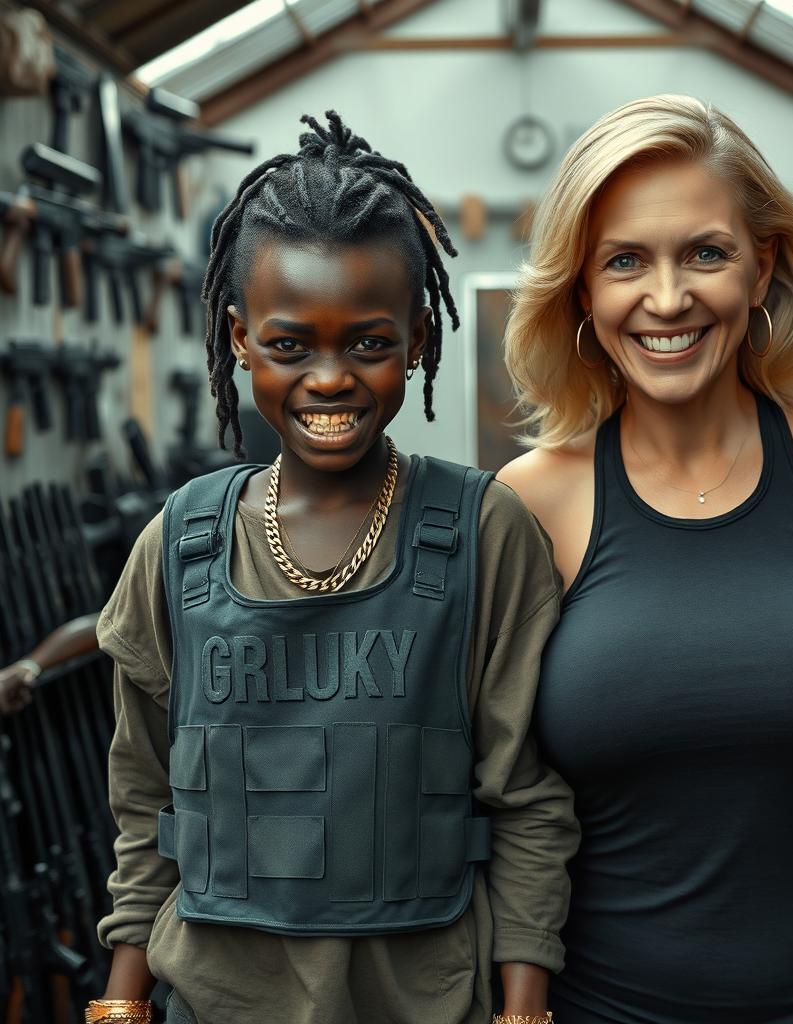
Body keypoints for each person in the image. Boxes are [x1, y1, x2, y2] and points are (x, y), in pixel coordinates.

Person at [90, 111, 578, 1024]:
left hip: (429, 1002)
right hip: (214, 998)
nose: (329, 378)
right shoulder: (182, 540)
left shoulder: (483, 531)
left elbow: (526, 803)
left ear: (421, 338)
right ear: (239, 340)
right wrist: (120, 1006)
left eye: (368, 342)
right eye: (289, 345)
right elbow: (147, 801)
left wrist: (523, 1009)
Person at [499, 95, 793, 1024]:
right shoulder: (527, 501)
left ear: (763, 269)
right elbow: (503, 800)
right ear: (581, 293)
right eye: (624, 260)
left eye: (705, 253)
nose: (667, 299)